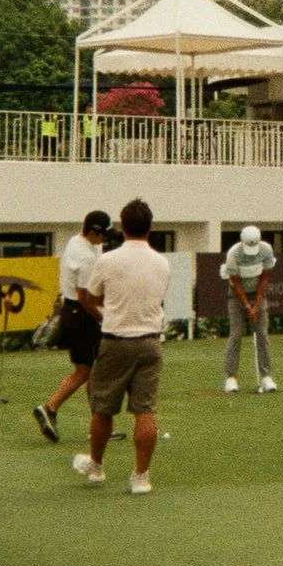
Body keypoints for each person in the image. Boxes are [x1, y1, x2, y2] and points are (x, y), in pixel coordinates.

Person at [73, 199, 170, 494]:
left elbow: (91, 297)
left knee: (103, 408)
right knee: (145, 410)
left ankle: (96, 466)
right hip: (150, 341)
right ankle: (141, 476)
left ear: (123, 227)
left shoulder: (107, 260)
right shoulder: (162, 262)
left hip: (116, 340)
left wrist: (105, 315)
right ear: (150, 228)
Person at [33, 211, 110, 440]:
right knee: (88, 371)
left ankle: (96, 423)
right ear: (94, 231)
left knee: (89, 370)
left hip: (72, 311)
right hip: (82, 315)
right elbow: (86, 298)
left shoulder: (75, 242)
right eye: (103, 235)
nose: (104, 240)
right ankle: (52, 409)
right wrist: (102, 318)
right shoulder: (87, 258)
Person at [219, 224, 277, 394]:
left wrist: (257, 305)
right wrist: (247, 305)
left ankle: (266, 376)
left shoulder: (266, 250)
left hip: (257, 293)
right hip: (237, 295)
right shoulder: (234, 254)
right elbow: (235, 282)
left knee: (262, 334)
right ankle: (231, 377)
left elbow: (265, 277)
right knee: (236, 334)